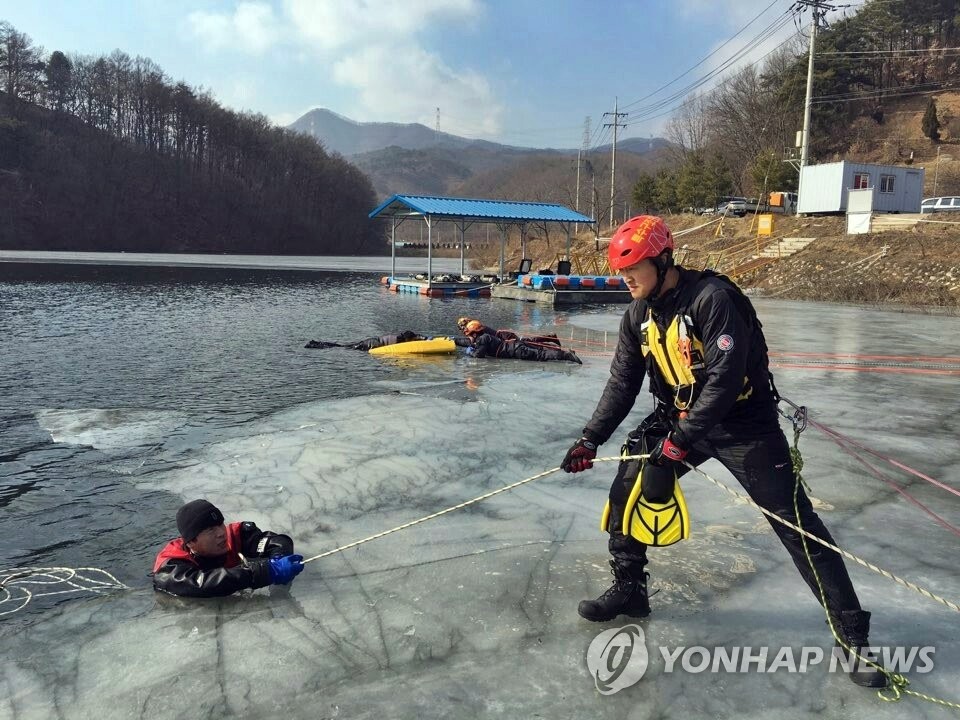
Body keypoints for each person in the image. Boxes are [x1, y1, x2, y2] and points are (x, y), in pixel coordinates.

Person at [560, 215, 886, 688]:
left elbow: (726, 378)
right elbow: (622, 384)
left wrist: (679, 443)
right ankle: (631, 588)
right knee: (627, 487)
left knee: (796, 525)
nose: (625, 279)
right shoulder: (638, 315)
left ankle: (853, 636)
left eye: (634, 269)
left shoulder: (713, 300)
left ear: (663, 260)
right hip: (681, 417)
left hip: (743, 424)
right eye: (620, 271)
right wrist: (591, 438)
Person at [153, 499, 304, 598]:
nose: (221, 533)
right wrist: (263, 572)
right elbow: (202, 585)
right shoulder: (170, 568)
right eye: (210, 530)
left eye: (220, 524)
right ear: (192, 542)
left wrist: (277, 558)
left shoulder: (235, 536)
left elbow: (276, 541)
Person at [463, 320, 581, 364]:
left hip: (515, 349)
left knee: (541, 354)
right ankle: (563, 352)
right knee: (538, 349)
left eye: (469, 335)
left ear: (474, 333)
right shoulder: (483, 335)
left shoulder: (483, 338)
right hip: (513, 345)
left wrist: (470, 352)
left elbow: (479, 355)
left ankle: (566, 355)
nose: (470, 337)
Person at [305, 330, 426, 350]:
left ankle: (316, 343)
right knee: (343, 348)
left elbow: (415, 336)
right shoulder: (400, 341)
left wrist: (423, 338)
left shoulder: (401, 336)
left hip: (371, 341)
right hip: (370, 344)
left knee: (343, 346)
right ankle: (315, 345)